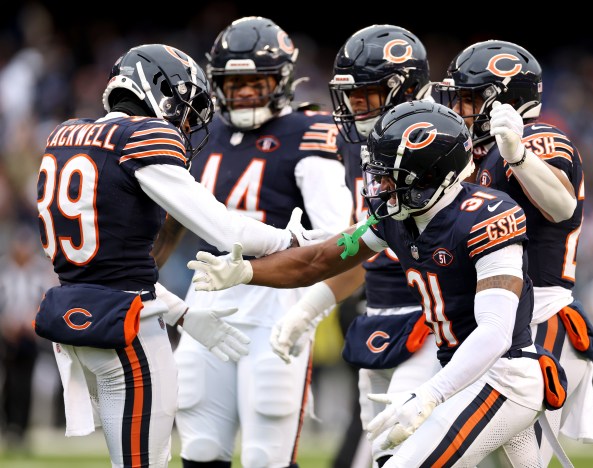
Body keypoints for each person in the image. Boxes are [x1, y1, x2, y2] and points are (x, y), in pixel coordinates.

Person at [187, 100, 558, 467]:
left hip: (502, 376)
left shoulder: (488, 217)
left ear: (429, 175)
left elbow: (495, 332)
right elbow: (319, 259)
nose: (378, 185)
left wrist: (430, 394)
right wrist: (249, 272)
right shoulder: (395, 218)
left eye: (388, 176)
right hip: (458, 371)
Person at [34, 43, 320, 468]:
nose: (185, 122)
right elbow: (225, 230)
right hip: (128, 332)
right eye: (184, 106)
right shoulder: (143, 136)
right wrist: (290, 241)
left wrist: (182, 313)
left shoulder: (66, 135)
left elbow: (111, 267)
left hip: (82, 316)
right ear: (158, 91)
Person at [151, 17, 352, 468]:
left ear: (281, 78)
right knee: (200, 443)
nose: (242, 92)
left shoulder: (309, 132)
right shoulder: (204, 133)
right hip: (207, 293)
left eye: (254, 81)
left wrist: (310, 307)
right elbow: (170, 225)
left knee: (267, 448)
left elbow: (340, 238)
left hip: (276, 299)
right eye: (233, 82)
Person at [269, 24, 441, 467]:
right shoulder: (363, 147)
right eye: (349, 97)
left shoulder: (438, 144)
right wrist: (309, 308)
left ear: (402, 90)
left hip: (438, 316)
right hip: (384, 309)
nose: (352, 108)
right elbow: (368, 244)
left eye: (364, 96)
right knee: (388, 445)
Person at [436, 39, 593, 465]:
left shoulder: (537, 139)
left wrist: (519, 154)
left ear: (503, 100)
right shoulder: (479, 155)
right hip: (503, 323)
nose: (460, 109)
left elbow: (563, 206)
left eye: (470, 98)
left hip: (542, 320)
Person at [0, 225, 58, 453]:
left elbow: (48, 302)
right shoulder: (5, 270)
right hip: (7, 335)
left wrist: (31, 321)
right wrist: (6, 325)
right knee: (9, 382)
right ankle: (9, 425)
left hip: (30, 337)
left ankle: (21, 430)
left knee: (25, 383)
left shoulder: (40, 272)